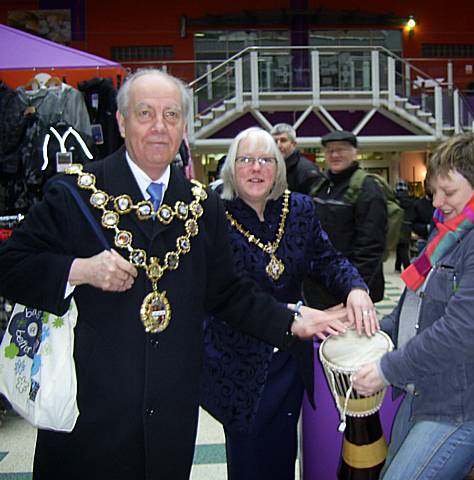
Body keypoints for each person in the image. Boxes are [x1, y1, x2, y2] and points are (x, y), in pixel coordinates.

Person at [0, 69, 347, 480]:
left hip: (170, 419)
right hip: (90, 417)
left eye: (171, 115)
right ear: (122, 122)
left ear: (183, 126)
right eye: (145, 113)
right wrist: (80, 270)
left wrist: (293, 321)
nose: (159, 127)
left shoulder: (203, 206)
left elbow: (229, 294)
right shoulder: (76, 193)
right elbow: (10, 264)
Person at [352, 132, 474, 479]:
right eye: (434, 193)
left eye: (448, 192)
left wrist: (388, 369)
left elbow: (461, 332)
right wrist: (369, 331)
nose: (437, 203)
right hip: (438, 385)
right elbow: (413, 308)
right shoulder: (456, 228)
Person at [200, 126, 378, 480]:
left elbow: (327, 260)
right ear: (231, 168)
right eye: (246, 160)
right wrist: (293, 312)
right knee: (248, 458)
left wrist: (355, 288)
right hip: (238, 360)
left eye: (266, 160)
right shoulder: (212, 215)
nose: (256, 168)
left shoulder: (298, 209)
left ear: (278, 168)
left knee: (282, 453)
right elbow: (223, 293)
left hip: (290, 359)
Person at [304, 130, 388, 308]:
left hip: (349, 289)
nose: (334, 155)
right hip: (320, 287)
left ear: (354, 152)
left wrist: (354, 288)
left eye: (340, 149)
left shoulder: (367, 189)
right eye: (329, 150)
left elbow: (371, 248)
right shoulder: (320, 185)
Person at [271, 123, 324, 194]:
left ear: (294, 144)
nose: (278, 145)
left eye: (283, 140)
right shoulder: (268, 167)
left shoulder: (307, 170)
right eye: (275, 141)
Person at [394, 179, 414, 272]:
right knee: (404, 247)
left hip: (396, 225)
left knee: (400, 246)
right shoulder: (410, 201)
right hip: (407, 225)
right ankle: (399, 265)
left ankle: (405, 267)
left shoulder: (394, 200)